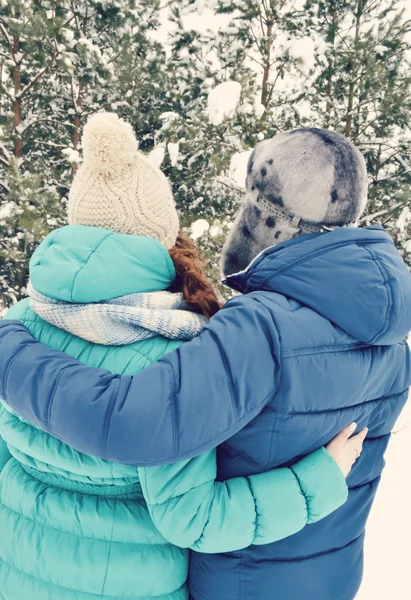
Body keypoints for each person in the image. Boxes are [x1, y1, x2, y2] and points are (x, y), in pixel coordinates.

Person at [0, 126, 410, 600]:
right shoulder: (390, 336)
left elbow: (103, 427)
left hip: (20, 566)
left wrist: (10, 350)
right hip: (313, 575)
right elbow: (192, 515)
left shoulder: (26, 316)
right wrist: (317, 481)